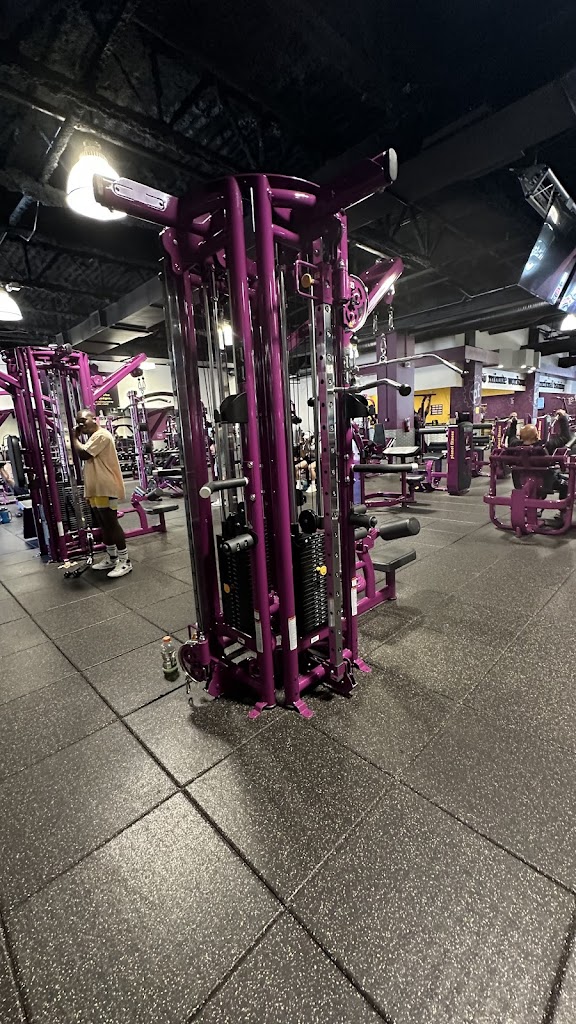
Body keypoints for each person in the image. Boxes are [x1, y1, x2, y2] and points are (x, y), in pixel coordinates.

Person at [71, 410, 132, 577]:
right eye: (78, 421)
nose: (81, 424)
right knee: (103, 524)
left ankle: (125, 561)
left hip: (106, 487)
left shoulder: (102, 435)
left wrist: (74, 438)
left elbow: (84, 454)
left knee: (111, 523)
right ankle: (112, 558)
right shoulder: (93, 437)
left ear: (94, 419)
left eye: (83, 420)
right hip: (96, 488)